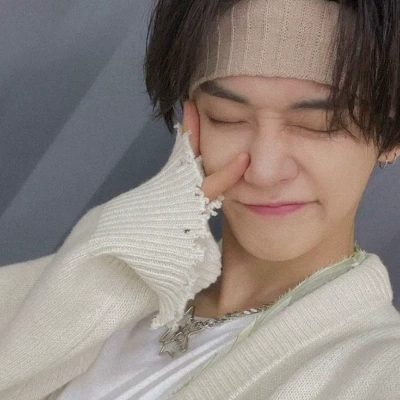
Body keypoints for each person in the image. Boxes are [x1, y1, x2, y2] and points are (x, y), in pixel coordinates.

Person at [1, 0, 400, 399]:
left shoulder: (381, 370)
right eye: (226, 117)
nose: (263, 170)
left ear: (392, 133)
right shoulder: (107, 281)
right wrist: (127, 246)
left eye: (320, 125)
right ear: (190, 120)